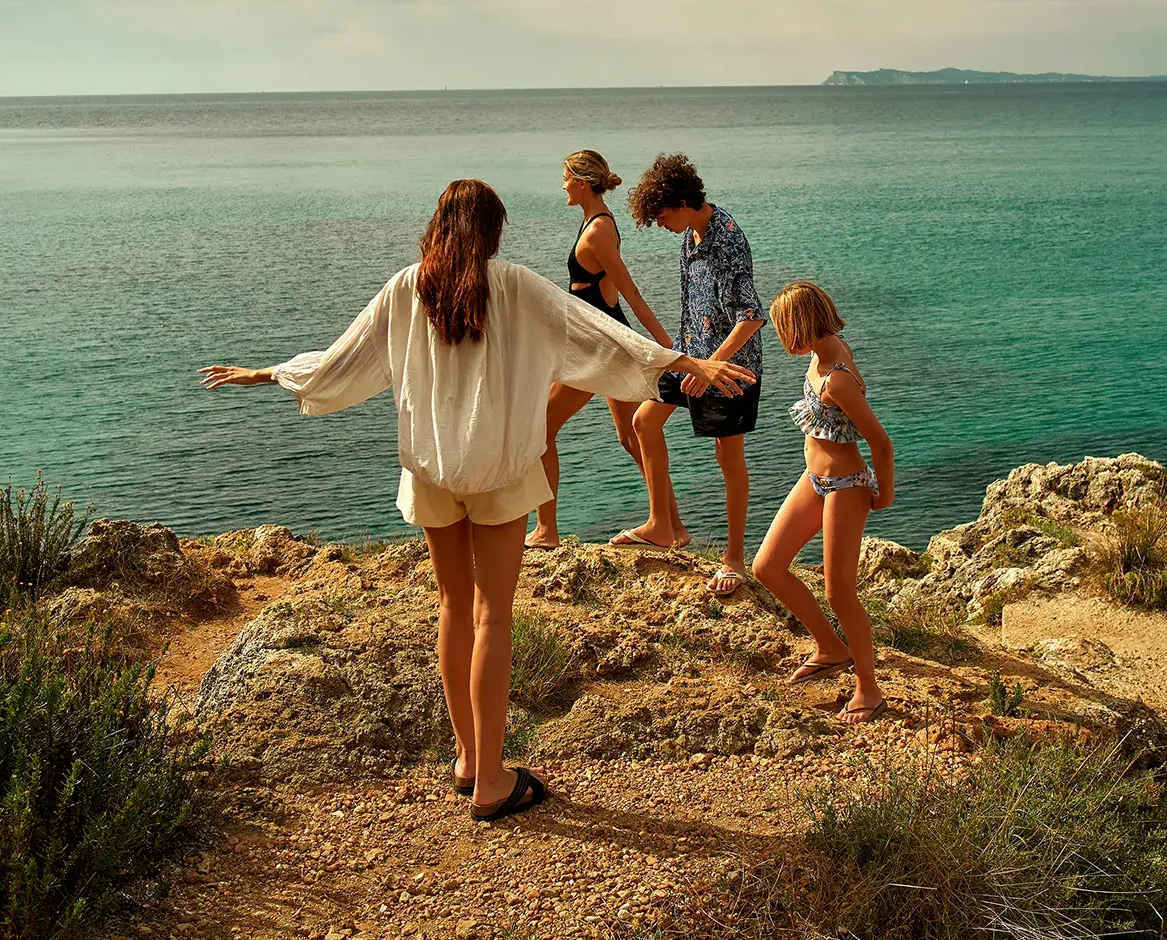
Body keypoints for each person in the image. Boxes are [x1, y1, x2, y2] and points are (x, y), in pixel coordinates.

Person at [200, 180, 753, 822]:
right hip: (500, 472)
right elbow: (596, 337)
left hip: (433, 472)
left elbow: (343, 361)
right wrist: (683, 364)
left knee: (453, 607)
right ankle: (492, 780)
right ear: (493, 231)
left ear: (438, 225)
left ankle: (469, 760)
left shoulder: (409, 286)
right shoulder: (514, 284)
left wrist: (270, 373)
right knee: (493, 615)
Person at [750, 281, 895, 726]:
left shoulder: (838, 382)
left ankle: (869, 689)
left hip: (847, 484)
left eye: (785, 330)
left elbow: (881, 443)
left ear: (803, 326)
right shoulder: (825, 352)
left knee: (839, 592)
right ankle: (831, 648)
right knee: (767, 567)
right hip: (814, 479)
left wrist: (883, 493)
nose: (782, 341)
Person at [619, 154, 764, 598]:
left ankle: (735, 558)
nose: (660, 225)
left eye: (661, 216)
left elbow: (752, 316)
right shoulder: (691, 236)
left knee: (728, 458)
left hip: (729, 367)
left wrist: (710, 366)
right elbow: (692, 307)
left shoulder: (727, 241)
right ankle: (663, 525)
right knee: (643, 422)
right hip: (692, 359)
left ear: (682, 202)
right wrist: (683, 359)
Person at [529, 150, 672, 550]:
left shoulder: (597, 232)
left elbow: (630, 294)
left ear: (581, 181)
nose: (562, 186)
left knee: (541, 428)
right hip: (598, 347)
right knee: (630, 437)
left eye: (565, 178)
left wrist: (667, 349)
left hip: (600, 351)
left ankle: (546, 530)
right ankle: (673, 528)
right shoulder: (597, 224)